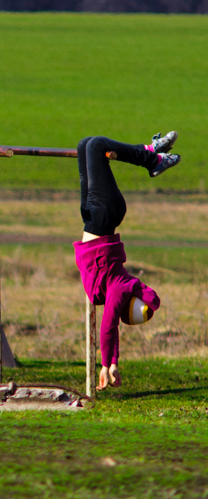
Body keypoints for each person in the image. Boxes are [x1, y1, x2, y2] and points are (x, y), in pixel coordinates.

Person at [74, 132, 180, 390]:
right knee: (97, 145)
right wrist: (109, 364)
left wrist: (111, 362)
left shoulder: (119, 291)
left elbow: (113, 327)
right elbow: (109, 327)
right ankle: (152, 159)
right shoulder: (122, 287)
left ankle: (150, 152)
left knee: (85, 144)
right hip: (104, 217)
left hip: (93, 220)